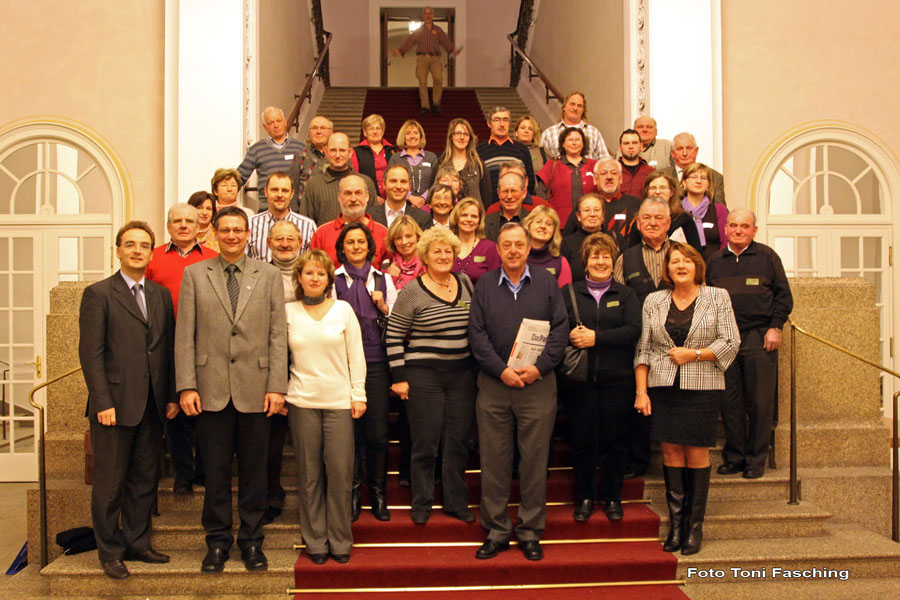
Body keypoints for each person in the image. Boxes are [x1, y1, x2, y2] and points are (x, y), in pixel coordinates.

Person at [175, 205, 288, 573]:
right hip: (210, 390)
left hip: (258, 389)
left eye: (239, 230)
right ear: (216, 233)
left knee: (255, 473)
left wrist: (277, 386)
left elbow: (277, 334)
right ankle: (218, 542)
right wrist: (186, 386)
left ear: (247, 234)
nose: (232, 236)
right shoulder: (194, 275)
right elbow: (185, 336)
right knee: (217, 473)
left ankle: (252, 542)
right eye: (225, 230)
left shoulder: (268, 275)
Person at [79, 221, 178, 580]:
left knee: (143, 480)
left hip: (152, 405)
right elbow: (91, 354)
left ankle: (138, 543)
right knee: (110, 484)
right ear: (117, 250)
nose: (137, 250)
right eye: (130, 244)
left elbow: (165, 349)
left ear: (151, 253)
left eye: (144, 245)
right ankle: (110, 551)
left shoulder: (160, 295)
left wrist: (169, 396)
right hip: (114, 407)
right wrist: (102, 401)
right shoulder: (99, 294)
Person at [468, 222, 568, 562]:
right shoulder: (483, 286)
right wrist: (502, 370)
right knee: (493, 461)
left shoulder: (547, 283)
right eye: (506, 245)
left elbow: (560, 332)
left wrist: (539, 367)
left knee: (534, 461)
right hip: (495, 385)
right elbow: (476, 336)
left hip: (538, 385)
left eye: (518, 245)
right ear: (498, 248)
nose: (513, 250)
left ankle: (529, 531)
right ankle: (496, 531)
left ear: (528, 249)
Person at [634, 242, 740, 555]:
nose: (681, 266)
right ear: (666, 269)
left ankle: (694, 527)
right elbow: (644, 348)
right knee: (670, 452)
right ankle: (676, 526)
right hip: (663, 386)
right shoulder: (654, 300)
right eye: (674, 261)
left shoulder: (716, 296)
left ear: (697, 266)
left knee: (695, 454)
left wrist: (694, 354)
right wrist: (641, 391)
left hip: (703, 386)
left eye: (687, 261)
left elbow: (731, 341)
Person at [386, 227, 477, 524]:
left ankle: (455, 501)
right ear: (425, 256)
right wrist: (399, 377)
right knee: (425, 441)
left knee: (457, 441)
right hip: (423, 375)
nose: (443, 256)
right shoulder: (412, 290)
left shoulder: (465, 283)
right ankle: (422, 501)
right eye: (436, 251)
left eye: (448, 251)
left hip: (462, 375)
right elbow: (394, 335)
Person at [285, 249, 366, 565]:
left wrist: (358, 394)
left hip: (339, 403)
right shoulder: (288, 312)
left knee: (340, 472)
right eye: (308, 273)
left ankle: (340, 539)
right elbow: (280, 357)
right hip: (302, 401)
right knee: (309, 475)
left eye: (320, 273)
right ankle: (315, 540)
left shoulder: (343, 310)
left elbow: (355, 356)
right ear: (300, 278)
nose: (314, 278)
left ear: (328, 279)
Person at [706, 209, 793, 479]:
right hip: (723, 340)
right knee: (729, 403)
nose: (738, 230)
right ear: (726, 229)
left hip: (759, 336)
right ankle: (734, 457)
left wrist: (775, 327)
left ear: (754, 230)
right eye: (733, 225)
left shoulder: (767, 257)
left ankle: (756, 459)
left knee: (759, 402)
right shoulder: (714, 261)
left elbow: (784, 298)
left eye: (745, 226)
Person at [562, 233, 641, 522]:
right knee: (582, 441)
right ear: (585, 261)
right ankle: (584, 497)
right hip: (579, 382)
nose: (600, 261)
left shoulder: (626, 295)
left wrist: (597, 338)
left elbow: (633, 330)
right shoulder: (569, 293)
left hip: (617, 379)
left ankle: (612, 497)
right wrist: (570, 335)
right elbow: (558, 329)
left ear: (613, 261)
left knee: (614, 440)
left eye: (605, 256)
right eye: (595, 256)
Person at [145, 203, 217, 496]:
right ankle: (183, 474)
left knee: (206, 411)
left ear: (199, 225)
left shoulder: (214, 258)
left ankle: (204, 471)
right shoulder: (153, 259)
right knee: (175, 413)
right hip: (166, 344)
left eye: (190, 220)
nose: (184, 225)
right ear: (169, 226)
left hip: (207, 344)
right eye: (178, 221)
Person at [333, 222, 398, 522]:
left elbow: (399, 324)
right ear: (342, 248)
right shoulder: (333, 280)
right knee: (351, 434)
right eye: (350, 242)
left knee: (377, 432)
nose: (356, 246)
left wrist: (383, 306)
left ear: (370, 246)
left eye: (361, 241)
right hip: (342, 366)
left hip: (376, 363)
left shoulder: (383, 279)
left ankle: (379, 494)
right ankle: (354, 493)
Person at [614, 197, 673, 479]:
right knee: (636, 404)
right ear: (637, 224)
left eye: (658, 218)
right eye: (646, 218)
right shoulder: (627, 258)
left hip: (674, 345)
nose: (652, 222)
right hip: (636, 343)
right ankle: (638, 461)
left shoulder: (681, 255)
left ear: (668, 223)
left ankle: (672, 460)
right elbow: (618, 297)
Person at [262, 220, 304, 525]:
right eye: (279, 239)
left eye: (291, 238)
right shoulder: (259, 274)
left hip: (305, 359)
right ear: (268, 243)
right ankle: (271, 493)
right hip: (268, 360)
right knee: (272, 435)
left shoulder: (311, 271)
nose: (285, 244)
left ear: (300, 242)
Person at [392, 6, 461, 115]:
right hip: (422, 58)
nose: (428, 15)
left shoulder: (438, 30)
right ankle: (425, 106)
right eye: (426, 13)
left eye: (430, 13)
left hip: (435, 58)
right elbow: (410, 41)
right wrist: (400, 50)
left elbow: (445, 41)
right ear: (423, 16)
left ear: (432, 15)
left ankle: (436, 103)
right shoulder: (418, 31)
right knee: (422, 82)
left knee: (438, 78)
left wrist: (452, 50)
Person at [310, 174, 389, 268]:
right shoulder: (322, 234)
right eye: (347, 193)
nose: (353, 199)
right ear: (339, 197)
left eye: (358, 193)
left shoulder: (383, 233)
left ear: (367, 196)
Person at [300, 133, 379, 227]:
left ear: (350, 152)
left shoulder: (366, 182)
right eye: (333, 150)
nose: (337, 155)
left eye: (342, 150)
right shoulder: (314, 184)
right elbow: (306, 223)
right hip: (325, 240)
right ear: (326, 152)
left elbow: (374, 220)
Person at [237, 106, 306, 213]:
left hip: (294, 211)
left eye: (279, 121)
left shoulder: (300, 148)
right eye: (271, 123)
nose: (276, 125)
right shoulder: (256, 149)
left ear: (285, 122)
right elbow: (239, 177)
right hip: (266, 210)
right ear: (265, 127)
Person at [246, 171, 316, 262]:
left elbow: (313, 264)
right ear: (266, 192)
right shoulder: (250, 224)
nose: (279, 195)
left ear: (291, 194)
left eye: (285, 191)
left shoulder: (308, 226)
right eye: (274, 190)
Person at [536, 127, 597, 226]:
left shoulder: (594, 165)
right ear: (563, 144)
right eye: (570, 140)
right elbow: (541, 194)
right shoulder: (552, 165)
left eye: (577, 140)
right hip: (559, 224)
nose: (574, 143)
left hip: (590, 224)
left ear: (583, 143)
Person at [476, 106, 536, 206]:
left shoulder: (522, 149)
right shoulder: (479, 150)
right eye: (497, 120)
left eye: (505, 120)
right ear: (489, 124)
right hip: (489, 208)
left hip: (517, 207)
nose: (502, 124)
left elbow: (530, 181)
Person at [637, 171, 702, 252]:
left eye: (662, 188)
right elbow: (633, 253)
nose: (657, 192)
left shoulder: (684, 219)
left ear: (671, 192)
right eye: (653, 188)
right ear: (647, 192)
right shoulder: (641, 221)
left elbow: (696, 252)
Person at [586, 158, 641, 253]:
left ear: (621, 179)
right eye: (603, 173)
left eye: (614, 173)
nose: (609, 177)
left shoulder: (637, 204)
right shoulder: (585, 206)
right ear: (595, 180)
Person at [432, 118, 491, 205]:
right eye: (458, 133)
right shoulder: (440, 163)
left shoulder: (478, 164)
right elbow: (432, 192)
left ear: (470, 138)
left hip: (473, 216)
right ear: (451, 136)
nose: (462, 137)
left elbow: (487, 198)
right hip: (446, 216)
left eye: (466, 134)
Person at [680, 162, 728, 262]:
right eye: (693, 177)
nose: (698, 181)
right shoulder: (676, 211)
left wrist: (719, 263)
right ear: (684, 182)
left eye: (703, 178)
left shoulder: (719, 210)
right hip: (683, 266)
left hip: (715, 266)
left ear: (709, 184)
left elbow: (726, 241)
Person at [540, 92, 609, 160]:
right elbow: (543, 162)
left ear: (583, 110)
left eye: (579, 106)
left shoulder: (594, 132)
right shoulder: (549, 133)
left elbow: (605, 161)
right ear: (564, 107)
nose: (575, 108)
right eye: (572, 104)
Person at [661, 133, 726, 205]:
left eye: (689, 148)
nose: (685, 153)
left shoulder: (715, 177)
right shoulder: (661, 176)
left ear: (696, 151)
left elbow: (721, 211)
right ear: (672, 153)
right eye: (680, 149)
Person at [449, 197, 501, 286]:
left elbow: (495, 284)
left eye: (474, 216)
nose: (469, 219)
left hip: (481, 299)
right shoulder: (446, 246)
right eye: (464, 215)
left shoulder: (490, 248)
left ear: (479, 221)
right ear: (456, 218)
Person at [387, 120, 438, 206]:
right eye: (408, 133)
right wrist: (410, 197)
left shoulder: (431, 157)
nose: (412, 136)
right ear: (403, 137)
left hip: (428, 205)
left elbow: (437, 182)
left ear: (421, 136)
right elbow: (390, 182)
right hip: (402, 205)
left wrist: (424, 198)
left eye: (416, 133)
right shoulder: (395, 158)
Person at [369, 163, 431, 231]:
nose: (398, 186)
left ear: (409, 186)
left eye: (403, 182)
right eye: (393, 181)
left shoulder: (423, 218)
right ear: (384, 184)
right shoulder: (369, 216)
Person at [289, 115, 334, 209]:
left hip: (333, 211)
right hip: (306, 212)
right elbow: (293, 189)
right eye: (314, 128)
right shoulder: (300, 157)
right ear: (309, 133)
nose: (318, 131)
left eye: (323, 128)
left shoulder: (338, 157)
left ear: (331, 132)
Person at [522, 205, 572, 287]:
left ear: (554, 231)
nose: (543, 226)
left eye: (548, 224)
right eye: (538, 222)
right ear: (528, 225)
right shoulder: (516, 257)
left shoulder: (561, 263)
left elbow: (564, 296)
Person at [560, 193, 604, 283]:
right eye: (587, 210)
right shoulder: (567, 243)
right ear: (578, 216)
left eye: (596, 210)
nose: (592, 214)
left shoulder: (616, 239)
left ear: (603, 215)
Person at [352, 114, 397, 199]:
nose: (375, 132)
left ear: (383, 131)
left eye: (378, 128)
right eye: (371, 128)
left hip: (392, 198)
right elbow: (356, 179)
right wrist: (372, 197)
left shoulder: (393, 151)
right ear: (365, 132)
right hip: (367, 199)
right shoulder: (356, 152)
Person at [484, 171, 529, 242]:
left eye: (514, 191)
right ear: (498, 193)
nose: (509, 196)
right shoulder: (486, 222)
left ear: (524, 193)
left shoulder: (532, 221)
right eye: (505, 191)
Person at [384, 215, 426, 290]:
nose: (404, 242)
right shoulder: (387, 264)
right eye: (398, 238)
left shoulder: (427, 262)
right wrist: (391, 278)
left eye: (408, 236)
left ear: (418, 237)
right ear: (393, 241)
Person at [618, 129, 655, 198]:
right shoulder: (612, 171)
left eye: (634, 143)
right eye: (626, 143)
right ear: (619, 148)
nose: (631, 147)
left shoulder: (651, 172)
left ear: (641, 146)